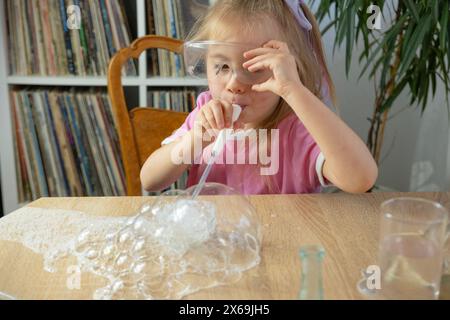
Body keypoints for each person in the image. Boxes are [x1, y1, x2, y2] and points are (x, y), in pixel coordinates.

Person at [140, 0, 378, 194]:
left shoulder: (298, 130)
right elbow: (150, 180)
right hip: (215, 248)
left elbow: (360, 179)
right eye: (222, 67)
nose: (234, 85)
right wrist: (195, 140)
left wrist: (293, 90)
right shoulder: (205, 116)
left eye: (254, 68)